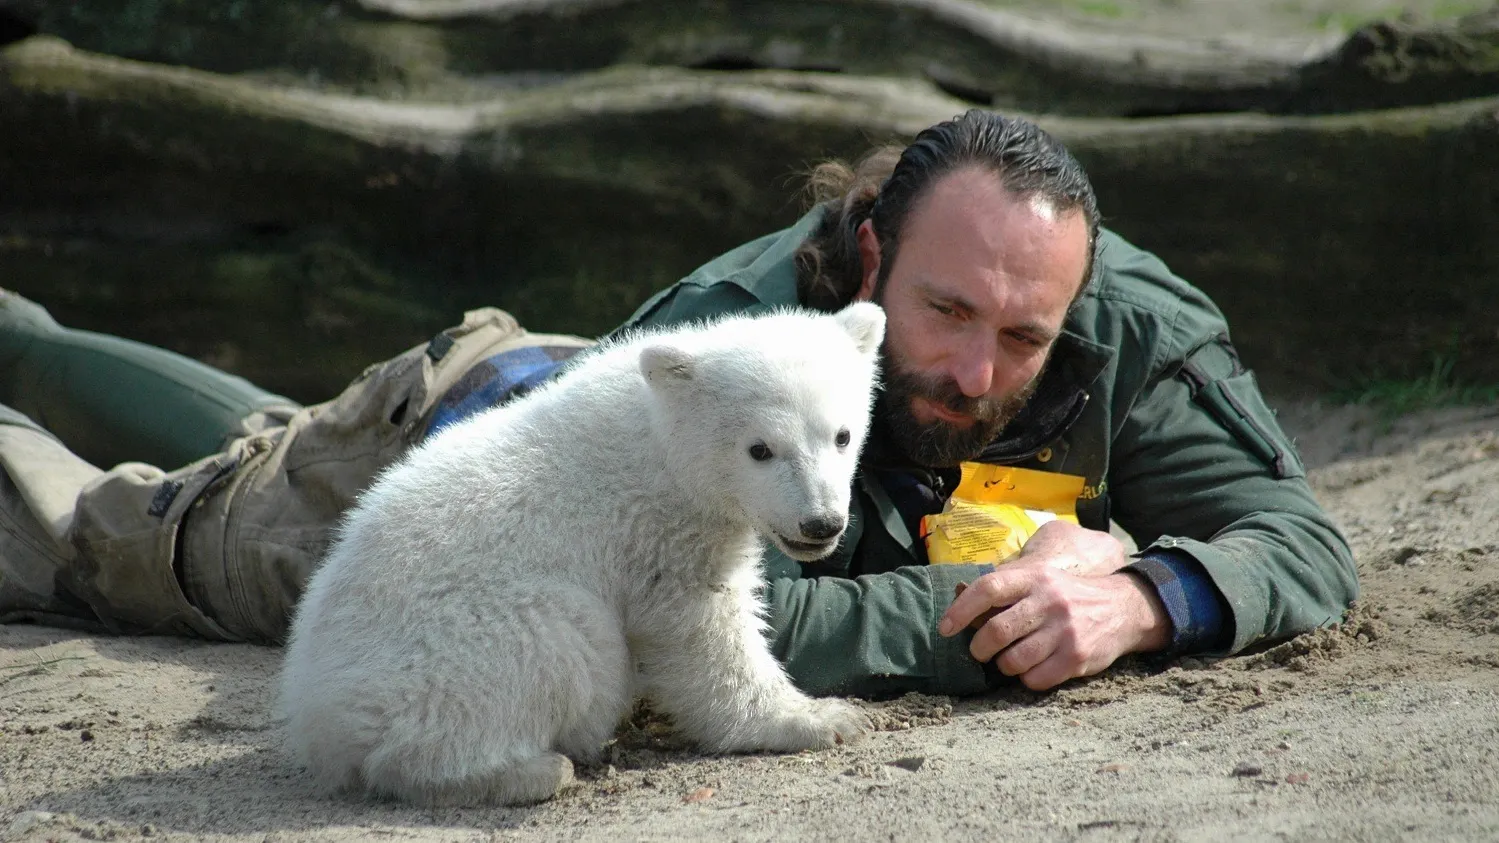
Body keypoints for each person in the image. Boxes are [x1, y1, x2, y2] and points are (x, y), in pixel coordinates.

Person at [0, 109, 1357, 698]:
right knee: (113, 535)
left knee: (262, 434)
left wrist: (1147, 598)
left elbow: (1296, 539)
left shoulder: (1129, 327)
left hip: (563, 393)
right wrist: (1005, 609)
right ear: (871, 258)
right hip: (470, 494)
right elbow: (691, 622)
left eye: (1023, 337)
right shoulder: (733, 323)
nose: (975, 372)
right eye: (945, 313)